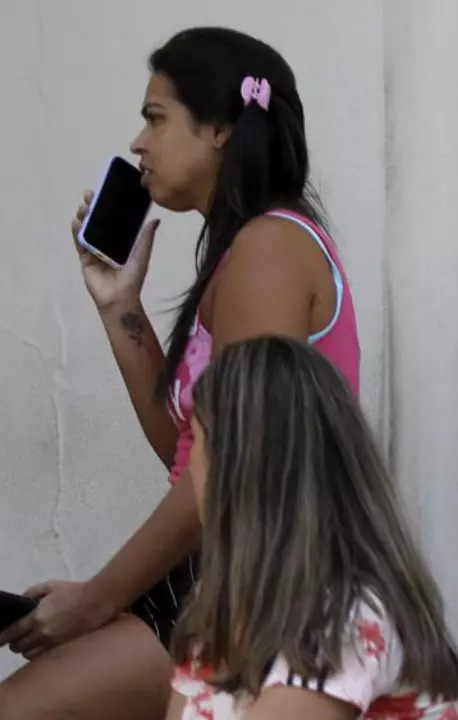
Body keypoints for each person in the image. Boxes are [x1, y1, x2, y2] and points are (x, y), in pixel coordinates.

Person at [0, 27, 361, 719]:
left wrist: (96, 600)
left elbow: (224, 472)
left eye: (155, 118)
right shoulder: (243, 253)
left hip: (265, 581)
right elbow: (187, 454)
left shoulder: (269, 249)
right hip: (221, 568)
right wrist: (120, 309)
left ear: (221, 129)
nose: (138, 143)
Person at [162, 336, 458, 719]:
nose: (191, 471)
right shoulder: (224, 597)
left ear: (238, 468)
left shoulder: (345, 615)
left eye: (198, 442)